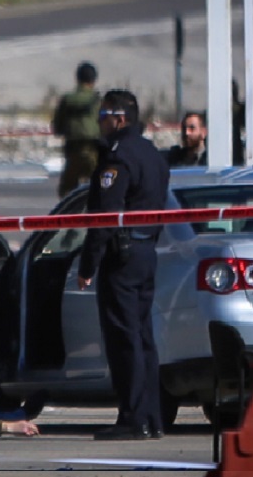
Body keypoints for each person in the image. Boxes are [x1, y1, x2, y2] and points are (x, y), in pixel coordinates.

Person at [77, 90, 170, 440]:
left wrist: (88, 265)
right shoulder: (152, 155)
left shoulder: (118, 157)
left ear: (119, 119)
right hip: (146, 253)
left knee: (124, 339)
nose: (100, 124)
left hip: (123, 255)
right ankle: (151, 418)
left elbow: (104, 217)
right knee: (144, 338)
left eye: (103, 116)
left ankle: (133, 417)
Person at [52, 61, 101, 198]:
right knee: (101, 189)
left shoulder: (67, 99)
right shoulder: (97, 100)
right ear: (93, 80)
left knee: (66, 192)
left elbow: (58, 127)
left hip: (73, 149)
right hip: (94, 150)